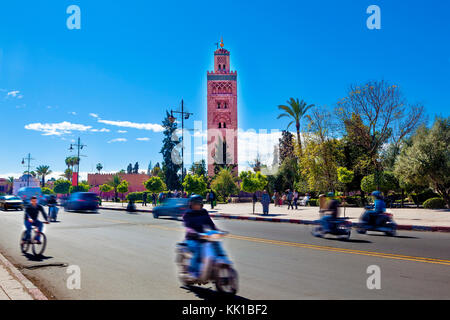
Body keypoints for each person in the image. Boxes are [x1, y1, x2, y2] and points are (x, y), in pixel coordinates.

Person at [182, 195, 224, 279]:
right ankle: (193, 272)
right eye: (195, 204)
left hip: (203, 237)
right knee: (198, 250)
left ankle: (218, 262)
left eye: (199, 203)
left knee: (216, 244)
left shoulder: (204, 212)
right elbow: (188, 228)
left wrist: (218, 231)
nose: (197, 205)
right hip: (191, 238)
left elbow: (210, 224)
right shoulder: (187, 214)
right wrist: (195, 233)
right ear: (191, 204)